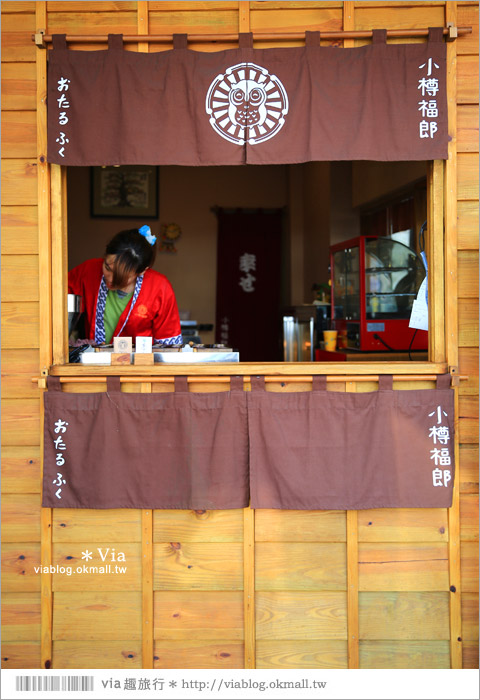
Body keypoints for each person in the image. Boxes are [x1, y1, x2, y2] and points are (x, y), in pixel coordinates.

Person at [68, 225, 183, 346]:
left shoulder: (159, 287)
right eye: (107, 267)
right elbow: (55, 298)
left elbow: (169, 345)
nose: (111, 279)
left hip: (140, 363)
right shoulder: (88, 270)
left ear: (142, 271)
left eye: (122, 276)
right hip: (94, 360)